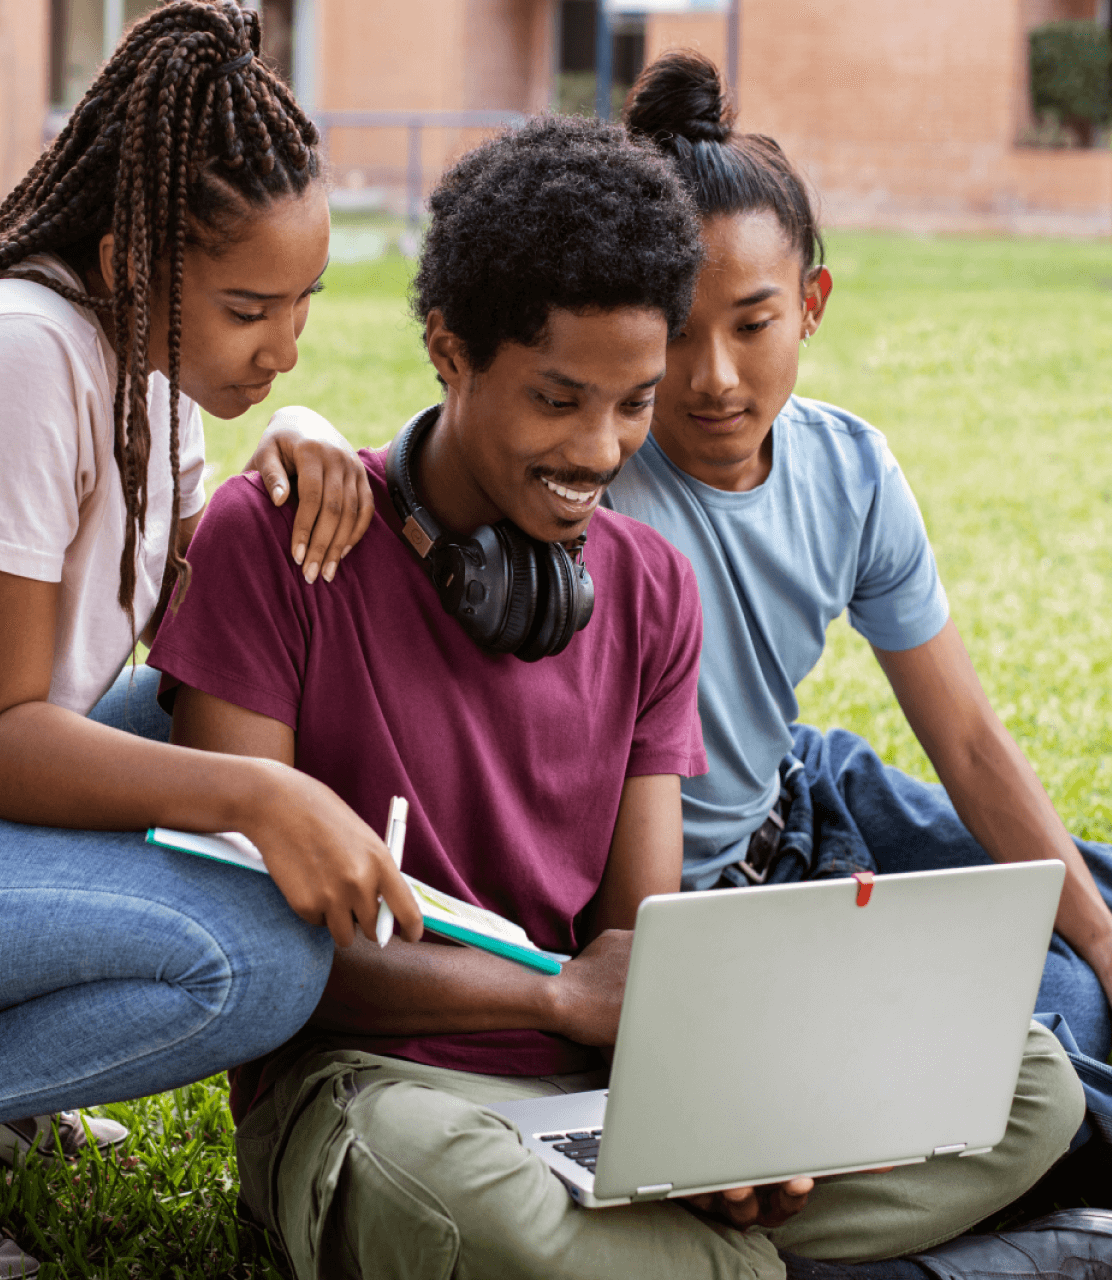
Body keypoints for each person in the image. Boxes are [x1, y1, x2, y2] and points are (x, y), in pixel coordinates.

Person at [146, 115, 1084, 1280]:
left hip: (601, 1095)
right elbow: (248, 945)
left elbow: (641, 944)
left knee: (1027, 1080)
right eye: (557, 400)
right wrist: (558, 1004)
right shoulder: (278, 542)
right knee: (464, 1206)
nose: (600, 449)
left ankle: (668, 1252)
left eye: (633, 402)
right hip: (390, 1090)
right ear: (449, 350)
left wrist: (734, 1117)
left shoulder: (649, 587)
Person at [0, 3, 420, 1275]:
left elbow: (177, 644)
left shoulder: (142, 365)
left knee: (236, 709)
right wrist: (259, 793)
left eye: (304, 304)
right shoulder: (17, 352)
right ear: (127, 262)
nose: (284, 347)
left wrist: (269, 469)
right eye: (248, 308)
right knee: (254, 953)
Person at [599, 48, 1112, 1146]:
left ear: (812, 305)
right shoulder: (592, 480)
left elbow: (966, 741)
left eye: (751, 321)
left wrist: (1102, 941)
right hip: (706, 905)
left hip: (808, 799)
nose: (714, 377)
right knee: (1039, 1070)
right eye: (677, 328)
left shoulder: (851, 469)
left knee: (1087, 901)